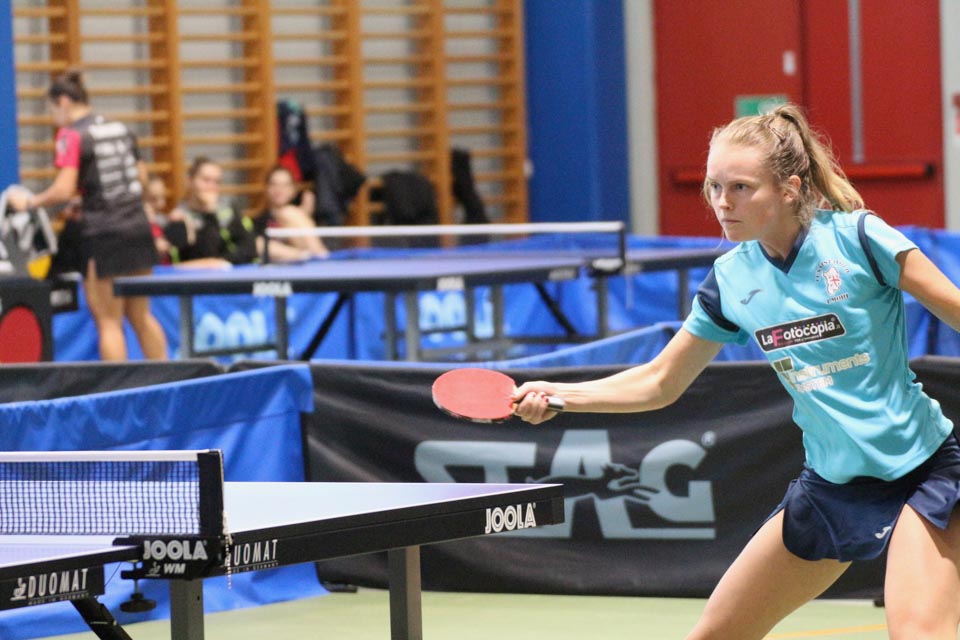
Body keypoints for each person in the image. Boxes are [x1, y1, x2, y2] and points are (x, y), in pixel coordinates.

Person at [513, 103, 960, 639]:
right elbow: (660, 381)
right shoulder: (732, 278)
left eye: (741, 188)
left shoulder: (859, 239)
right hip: (832, 484)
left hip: (922, 472)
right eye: (714, 187)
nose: (722, 203)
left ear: (790, 189)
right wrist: (560, 395)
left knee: (917, 634)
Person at [8, 69, 168, 361]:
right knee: (142, 316)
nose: (53, 119)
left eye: (51, 110)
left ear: (63, 102)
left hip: (103, 234)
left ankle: (119, 389)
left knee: (109, 322)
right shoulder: (120, 128)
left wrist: (30, 202)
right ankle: (172, 379)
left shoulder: (72, 135)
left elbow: (63, 189)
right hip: (137, 228)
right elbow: (141, 179)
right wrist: (90, 199)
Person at [169, 157, 258, 267]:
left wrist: (223, 261)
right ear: (189, 181)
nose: (211, 186)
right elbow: (200, 255)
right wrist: (209, 215)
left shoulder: (229, 211)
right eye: (206, 180)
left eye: (216, 182)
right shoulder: (178, 217)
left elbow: (249, 249)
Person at [253, 165, 328, 262]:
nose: (279, 190)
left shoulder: (297, 215)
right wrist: (299, 255)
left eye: (285, 185)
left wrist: (303, 217)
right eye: (274, 184)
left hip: (311, 265)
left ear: (293, 190)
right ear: (266, 187)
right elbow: (259, 246)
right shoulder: (258, 221)